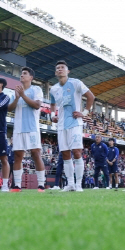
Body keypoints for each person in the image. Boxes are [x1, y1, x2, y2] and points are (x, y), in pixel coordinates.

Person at [49, 60, 95, 192]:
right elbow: (52, 104)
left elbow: (91, 96)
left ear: (67, 71)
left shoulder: (76, 83)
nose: (60, 69)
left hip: (75, 123)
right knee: (65, 154)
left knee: (76, 152)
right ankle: (70, 184)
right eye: (57, 68)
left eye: (62, 67)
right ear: (55, 72)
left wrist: (84, 113)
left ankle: (79, 184)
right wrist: (53, 115)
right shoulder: (54, 89)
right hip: (61, 125)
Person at [8, 67, 46, 192]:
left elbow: (36, 105)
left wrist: (23, 95)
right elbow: (10, 108)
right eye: (21, 74)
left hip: (32, 128)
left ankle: (41, 184)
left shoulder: (36, 89)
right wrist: (17, 98)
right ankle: (17, 185)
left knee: (35, 154)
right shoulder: (17, 91)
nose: (22, 76)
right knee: (18, 156)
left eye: (25, 74)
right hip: (18, 128)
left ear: (31, 77)